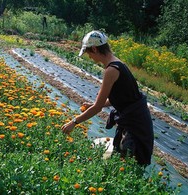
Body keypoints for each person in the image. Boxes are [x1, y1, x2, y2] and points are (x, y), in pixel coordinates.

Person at [61, 30, 154, 166]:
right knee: (121, 160)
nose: (90, 57)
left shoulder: (111, 70)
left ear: (94, 48)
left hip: (135, 125)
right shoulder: (118, 64)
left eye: (88, 53)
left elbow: (97, 108)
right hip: (135, 120)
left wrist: (74, 122)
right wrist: (95, 104)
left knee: (129, 164)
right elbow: (122, 98)